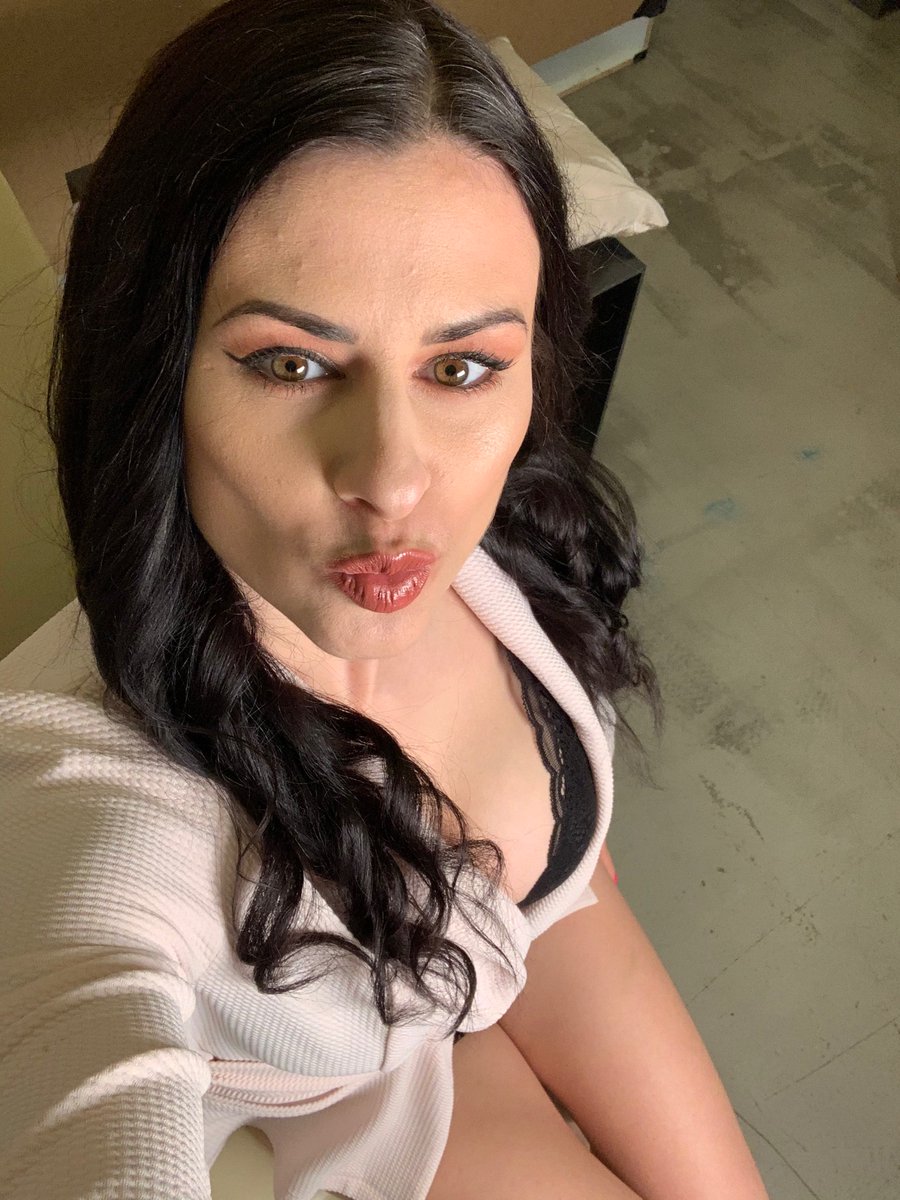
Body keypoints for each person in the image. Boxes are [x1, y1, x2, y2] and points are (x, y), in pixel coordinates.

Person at [0, 1, 771, 1197]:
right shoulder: (92, 804)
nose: (398, 481)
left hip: (530, 929)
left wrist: (560, 852)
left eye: (461, 365)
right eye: (292, 363)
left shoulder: (509, 529)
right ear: (153, 368)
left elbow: (562, 882)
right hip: (350, 1092)